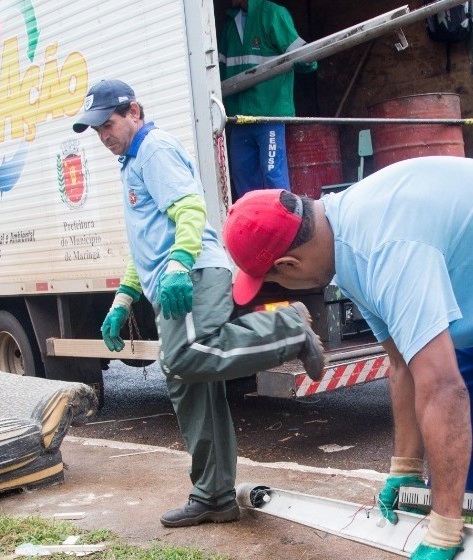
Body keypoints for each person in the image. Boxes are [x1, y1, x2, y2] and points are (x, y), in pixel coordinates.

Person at [72, 78, 325, 528]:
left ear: (135, 111)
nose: (103, 135)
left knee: (187, 357)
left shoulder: (154, 149)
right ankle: (214, 497)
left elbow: (189, 210)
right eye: (97, 130)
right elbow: (145, 243)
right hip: (173, 276)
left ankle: (288, 328)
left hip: (192, 274)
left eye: (108, 124)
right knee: (188, 384)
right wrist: (123, 298)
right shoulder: (131, 162)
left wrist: (178, 264)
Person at [222, 155, 473, 560]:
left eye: (273, 279)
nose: (279, 285)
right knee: (460, 475)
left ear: (289, 264)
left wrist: (442, 530)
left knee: (449, 400)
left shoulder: (384, 249)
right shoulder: (343, 240)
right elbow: (402, 363)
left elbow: (442, 387)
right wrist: (405, 469)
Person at [218, 0, 317, 198]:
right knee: (243, 180)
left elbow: (308, 59)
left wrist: (307, 60)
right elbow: (217, 72)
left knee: (273, 175)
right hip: (239, 118)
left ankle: (284, 224)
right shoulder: (229, 23)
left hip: (268, 115)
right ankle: (255, 226)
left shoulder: (273, 14)